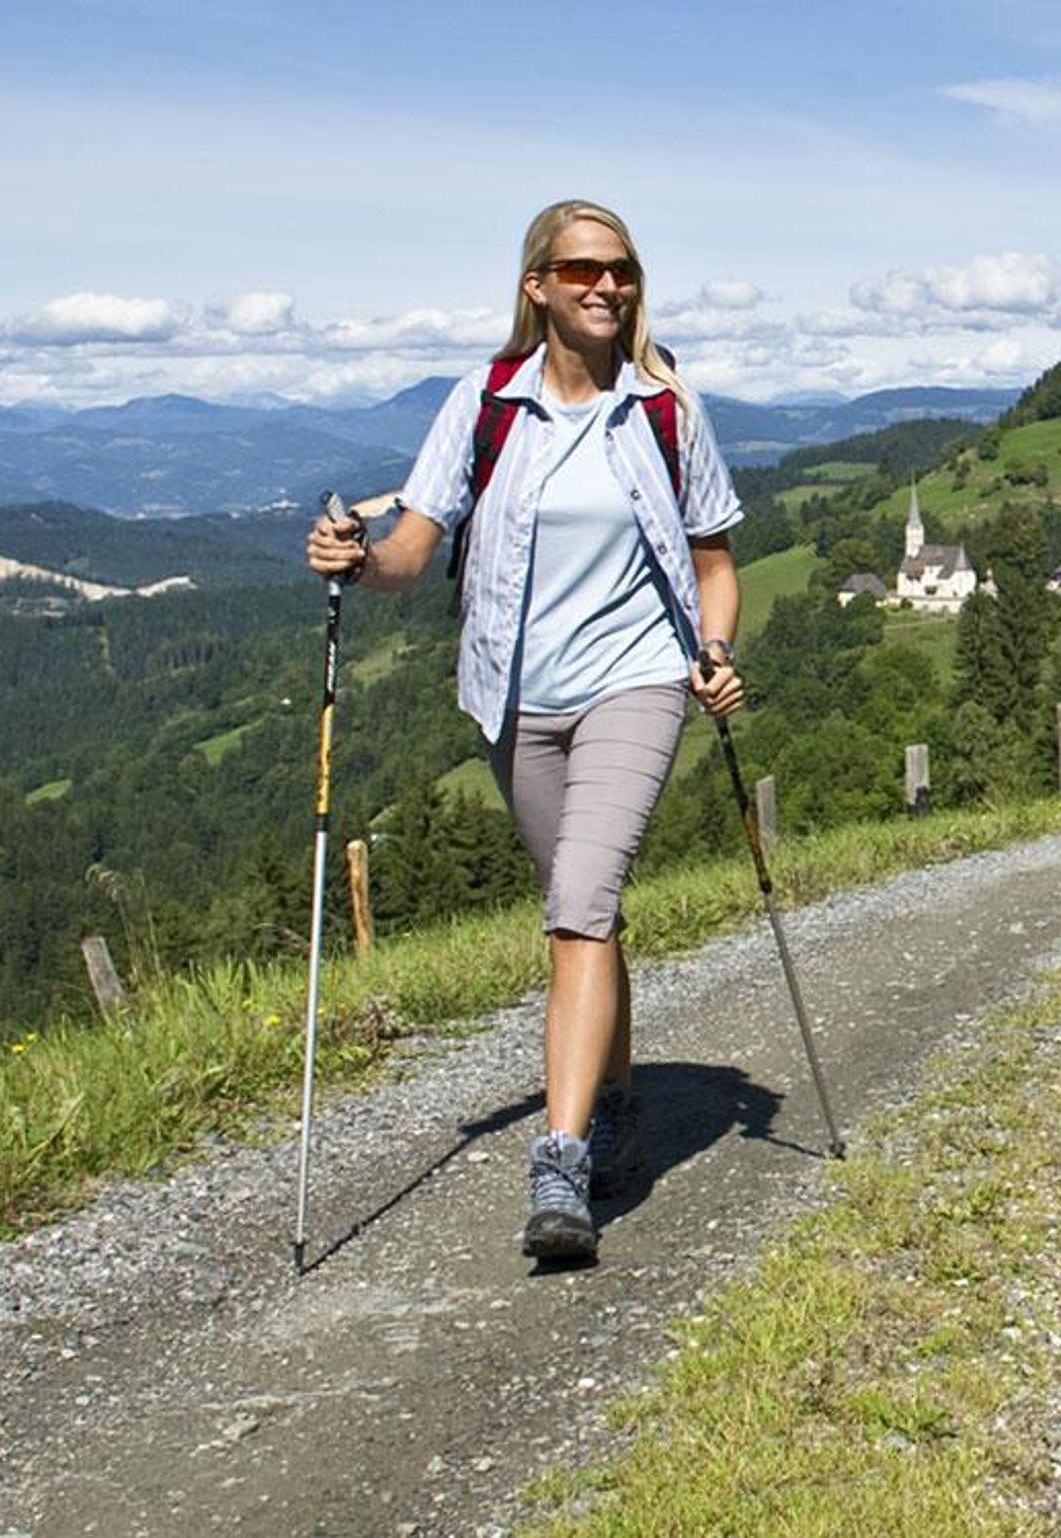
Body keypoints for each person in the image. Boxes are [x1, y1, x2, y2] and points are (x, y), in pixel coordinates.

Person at [307, 199, 745, 1263]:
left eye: (621, 269)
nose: (607, 286)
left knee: (577, 906)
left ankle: (561, 1159)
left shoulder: (666, 410)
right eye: (583, 269)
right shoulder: (484, 404)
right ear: (536, 285)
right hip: (514, 696)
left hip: (637, 682)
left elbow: (715, 563)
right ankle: (620, 1097)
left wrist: (715, 650)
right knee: (584, 910)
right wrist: (358, 561)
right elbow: (414, 551)